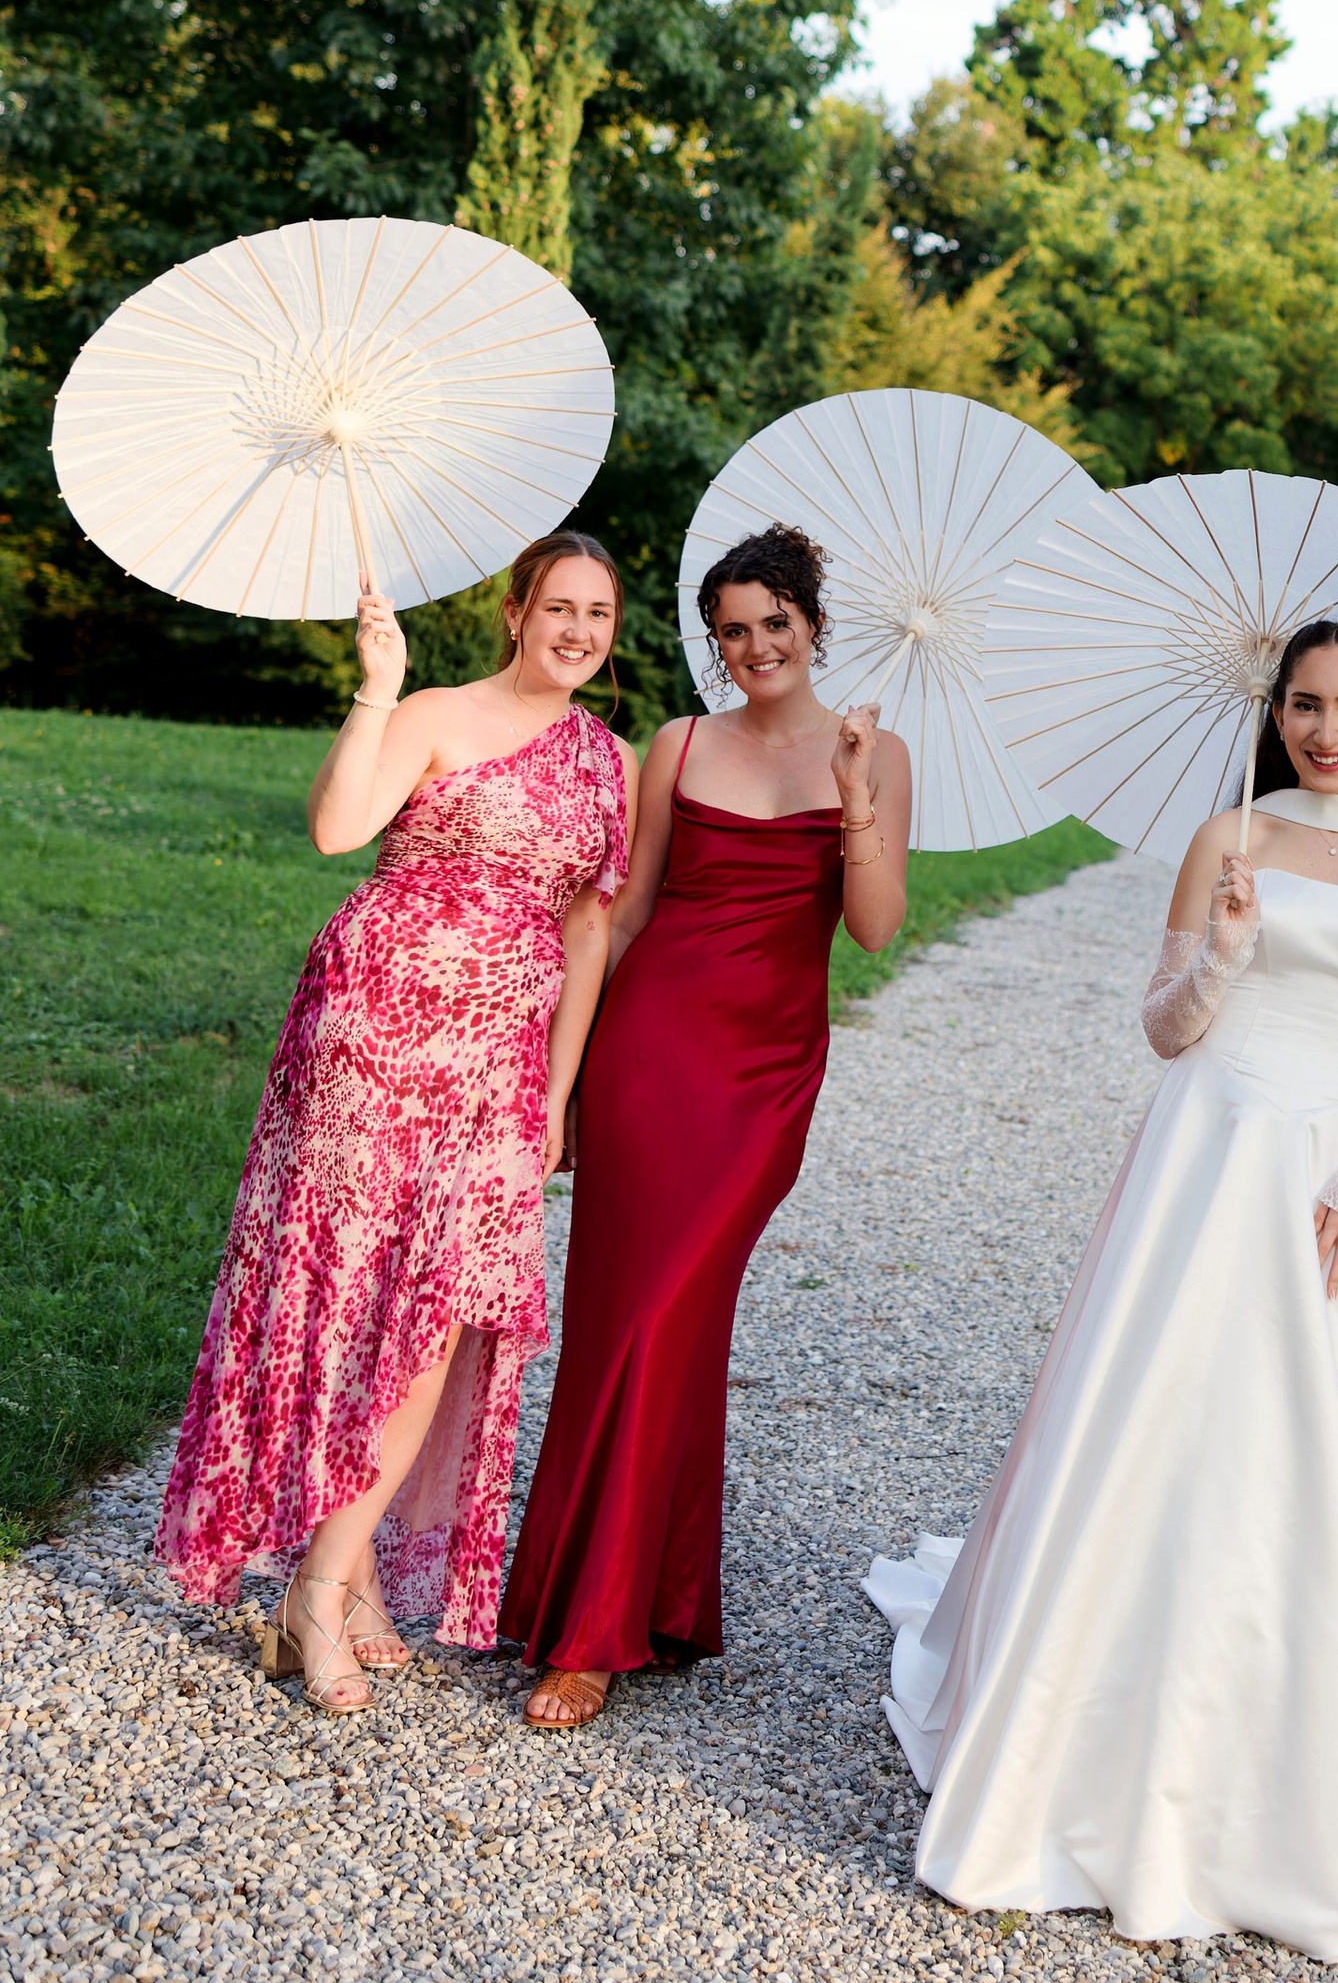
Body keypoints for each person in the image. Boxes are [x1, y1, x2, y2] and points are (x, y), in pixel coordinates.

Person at [866, 619, 1338, 1959]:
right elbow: (1161, 1029)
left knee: (1307, 1445)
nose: (1325, 730)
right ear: (1275, 713)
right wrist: (1220, 955)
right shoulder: (1231, 836)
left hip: (1334, 1171)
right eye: (1304, 705)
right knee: (1156, 1414)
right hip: (1207, 1151)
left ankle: (1299, 1777)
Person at [155, 535, 636, 1712]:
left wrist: (557, 1095)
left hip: (498, 1065)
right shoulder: (433, 711)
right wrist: (377, 687)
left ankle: (327, 1575)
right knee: (348, 1292)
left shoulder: (611, 760)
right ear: (515, 612)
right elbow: (337, 830)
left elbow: (589, 931)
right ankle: (333, 1586)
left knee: (444, 1307)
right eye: (558, 607)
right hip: (371, 1033)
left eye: (598, 614)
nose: (577, 631)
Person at [500, 526, 912, 1729]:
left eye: (775, 623)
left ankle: (613, 1608)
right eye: (732, 630)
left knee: (670, 1310)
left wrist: (853, 801)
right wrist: (570, 1078)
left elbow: (875, 928)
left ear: (814, 625)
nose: (755, 647)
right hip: (648, 1056)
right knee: (622, 1322)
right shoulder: (678, 744)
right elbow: (625, 919)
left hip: (762, 1079)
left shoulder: (876, 753)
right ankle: (620, 1615)